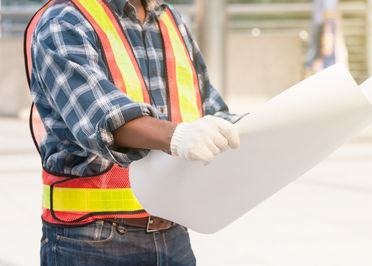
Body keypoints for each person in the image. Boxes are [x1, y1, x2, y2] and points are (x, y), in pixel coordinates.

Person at [24, 0, 240, 265]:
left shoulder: (169, 18)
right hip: (91, 238)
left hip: (172, 233)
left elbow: (209, 109)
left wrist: (261, 128)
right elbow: (103, 117)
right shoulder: (64, 20)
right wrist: (178, 136)